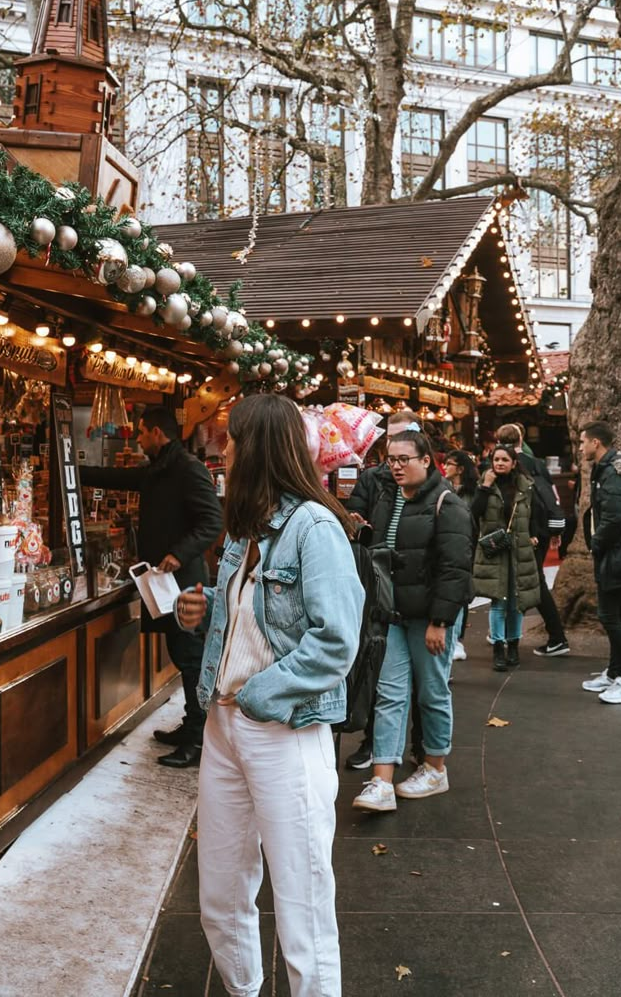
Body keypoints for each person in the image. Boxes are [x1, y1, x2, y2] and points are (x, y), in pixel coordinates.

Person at [175, 393, 364, 997]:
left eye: (231, 438)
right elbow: (249, 625)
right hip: (225, 726)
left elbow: (336, 641)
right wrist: (200, 613)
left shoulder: (314, 527)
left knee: (302, 901)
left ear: (256, 446)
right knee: (221, 892)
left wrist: (259, 694)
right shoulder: (244, 529)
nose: (222, 448)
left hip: (283, 727)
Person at [80, 405, 223, 767]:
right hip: (164, 582)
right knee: (181, 655)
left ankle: (198, 738)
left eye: (141, 432)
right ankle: (192, 724)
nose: (138, 439)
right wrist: (74, 471)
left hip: (185, 584)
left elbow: (212, 521)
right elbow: (121, 478)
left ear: (158, 433)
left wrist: (178, 553)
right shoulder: (161, 468)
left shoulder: (187, 469)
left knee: (190, 658)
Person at [352, 429, 472, 813]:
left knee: (432, 691)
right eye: (391, 459)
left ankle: (435, 768)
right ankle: (382, 780)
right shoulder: (388, 499)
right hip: (394, 614)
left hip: (428, 618)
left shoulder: (447, 504)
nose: (397, 466)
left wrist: (441, 620)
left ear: (427, 460)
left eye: (405, 459)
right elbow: (386, 552)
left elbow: (455, 569)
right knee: (390, 694)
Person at [343, 409, 420, 770]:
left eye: (404, 441)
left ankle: (421, 746)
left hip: (415, 590)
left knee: (421, 680)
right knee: (377, 664)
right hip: (377, 583)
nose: (396, 451)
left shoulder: (432, 488)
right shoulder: (373, 479)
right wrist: (355, 522)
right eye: (391, 440)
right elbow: (355, 513)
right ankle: (375, 742)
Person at [579, 421, 621, 704]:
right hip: (619, 552)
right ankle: (615, 672)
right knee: (613, 614)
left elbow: (615, 517)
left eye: (583, 441)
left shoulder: (614, 474)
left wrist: (597, 544)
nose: (580, 447)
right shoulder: (607, 470)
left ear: (596, 443)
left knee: (610, 615)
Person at [496, 423, 569, 657]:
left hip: (525, 531)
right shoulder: (536, 462)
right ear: (521, 439)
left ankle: (556, 636)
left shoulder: (505, 466)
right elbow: (550, 494)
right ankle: (510, 631)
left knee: (530, 581)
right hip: (542, 529)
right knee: (530, 579)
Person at [471, 445, 541, 671]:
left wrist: (534, 534)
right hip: (495, 550)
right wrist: (485, 486)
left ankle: (514, 644)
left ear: (513, 462)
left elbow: (534, 513)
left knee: (517, 602)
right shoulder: (485, 484)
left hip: (519, 550)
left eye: (504, 460)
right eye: (496, 459)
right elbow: (474, 512)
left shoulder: (525, 485)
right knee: (498, 601)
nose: (499, 463)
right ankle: (498, 648)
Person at [443, 449, 480, 661]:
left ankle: (458, 639)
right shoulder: (443, 488)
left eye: (449, 463)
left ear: (460, 469)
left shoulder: (472, 492)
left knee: (463, 590)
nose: (445, 467)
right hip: (452, 543)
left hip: (468, 544)